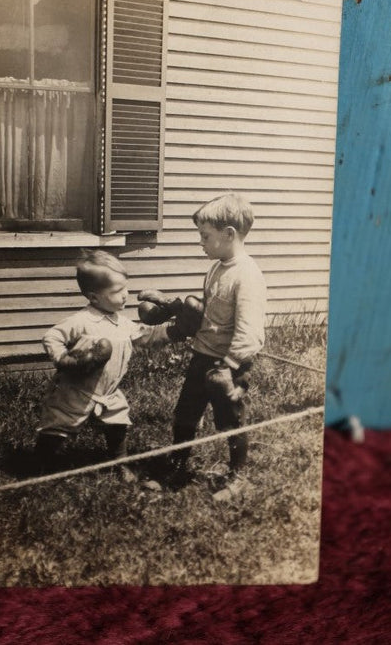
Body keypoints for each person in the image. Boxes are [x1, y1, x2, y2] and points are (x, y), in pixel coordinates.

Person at [140, 192, 266, 496]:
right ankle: (179, 467)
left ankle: (238, 477)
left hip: (228, 366)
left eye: (204, 235)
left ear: (229, 234)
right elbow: (208, 313)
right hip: (202, 356)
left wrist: (230, 366)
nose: (200, 241)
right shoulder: (217, 267)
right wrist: (176, 309)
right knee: (185, 414)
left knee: (231, 419)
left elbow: (250, 331)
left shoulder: (247, 276)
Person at [36, 249, 181, 475]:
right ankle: (41, 463)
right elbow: (52, 336)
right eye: (117, 291)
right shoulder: (82, 321)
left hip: (108, 390)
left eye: (125, 287)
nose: (125, 294)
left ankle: (119, 462)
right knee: (59, 425)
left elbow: (146, 335)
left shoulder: (121, 322)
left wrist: (175, 332)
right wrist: (63, 359)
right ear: (94, 297)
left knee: (118, 421)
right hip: (76, 389)